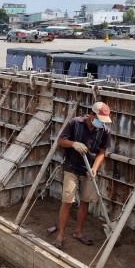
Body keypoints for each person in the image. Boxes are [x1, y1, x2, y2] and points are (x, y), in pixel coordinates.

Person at [53, 102, 112, 250]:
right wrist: (73, 144)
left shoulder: (104, 130)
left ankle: (78, 232)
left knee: (85, 201)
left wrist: (94, 168)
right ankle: (60, 235)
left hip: (88, 171)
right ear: (92, 115)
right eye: (99, 119)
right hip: (71, 168)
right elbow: (60, 141)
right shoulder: (75, 123)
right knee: (67, 201)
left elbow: (102, 152)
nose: (101, 123)